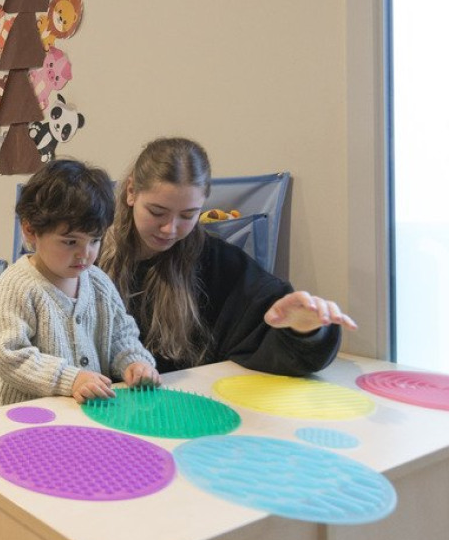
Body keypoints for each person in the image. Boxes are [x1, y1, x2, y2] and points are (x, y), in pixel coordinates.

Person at [99, 137, 357, 376]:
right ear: (131, 191)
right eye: (157, 212)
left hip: (183, 410)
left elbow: (279, 349)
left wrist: (304, 331)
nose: (170, 229)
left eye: (188, 215)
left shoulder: (219, 265)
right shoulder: (86, 253)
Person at [0, 159, 160, 407]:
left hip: (84, 412)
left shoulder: (98, 282)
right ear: (31, 231)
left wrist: (133, 362)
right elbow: (9, 357)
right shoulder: (15, 288)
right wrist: (71, 378)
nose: (85, 254)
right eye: (70, 242)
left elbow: (120, 334)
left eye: (95, 240)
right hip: (23, 417)